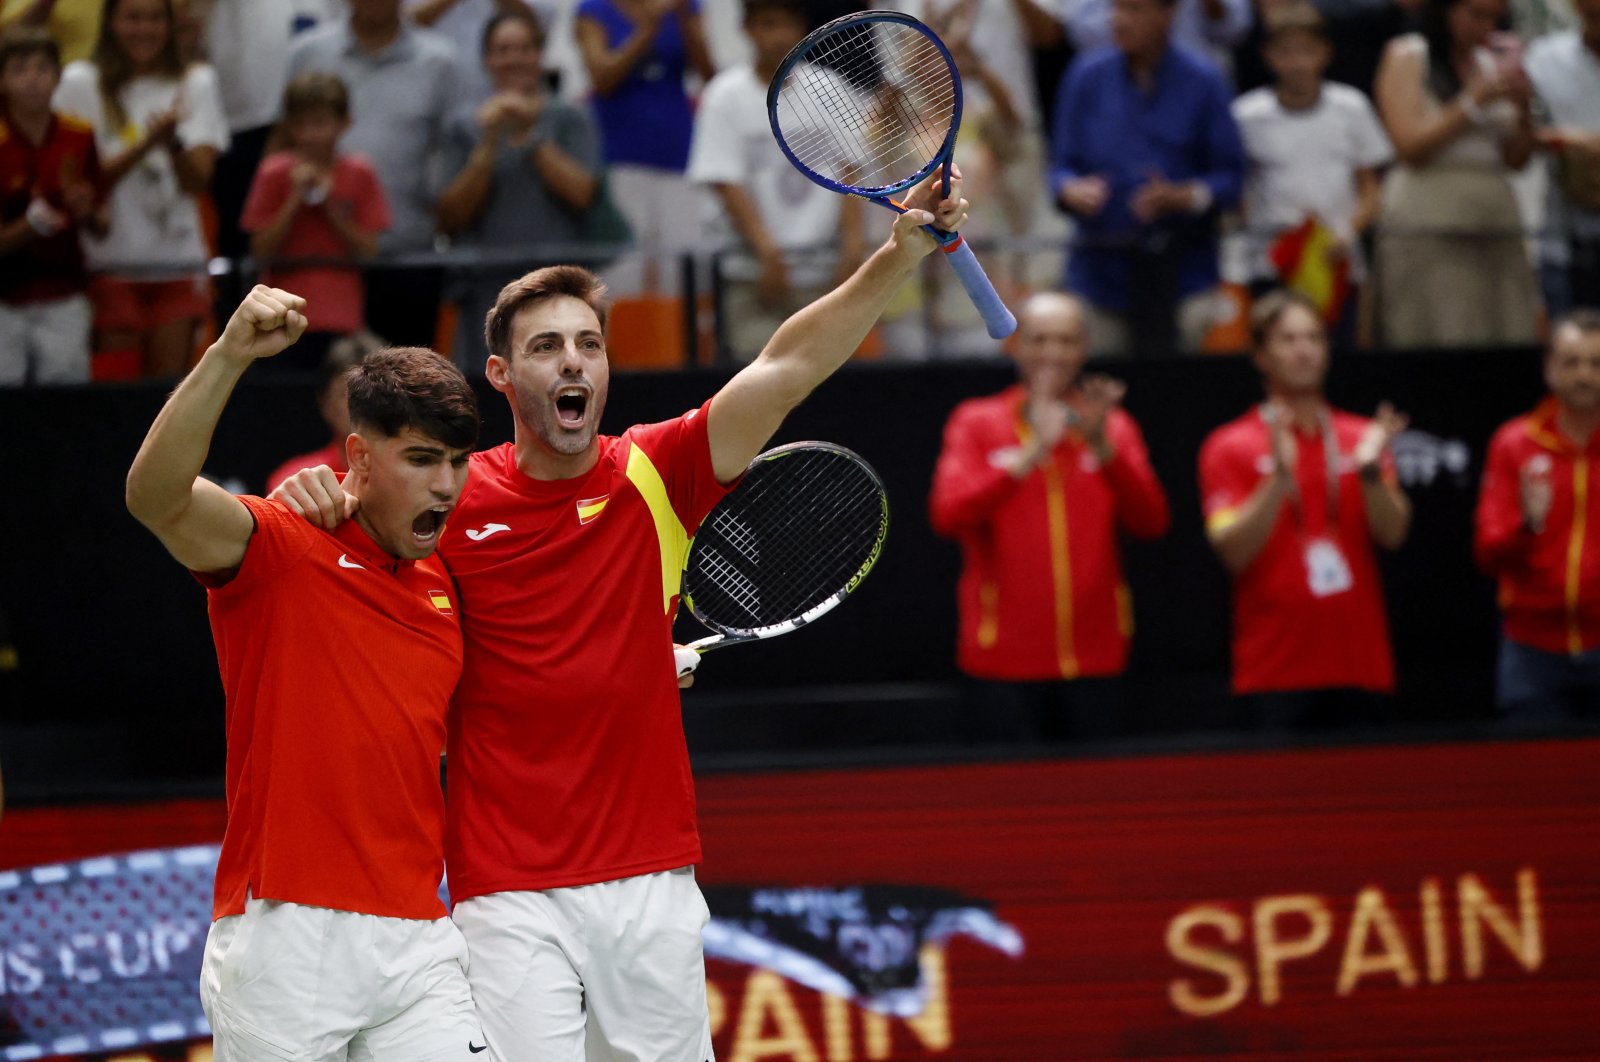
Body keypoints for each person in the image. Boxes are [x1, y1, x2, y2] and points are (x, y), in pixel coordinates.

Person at [272, 168, 969, 1060]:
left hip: (649, 875)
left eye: (590, 345)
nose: (573, 361)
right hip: (505, 886)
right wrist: (309, 495)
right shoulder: (448, 499)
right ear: (500, 373)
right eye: (546, 346)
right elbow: (355, 595)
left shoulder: (658, 471)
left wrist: (897, 254)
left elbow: (788, 365)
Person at [125, 285, 487, 1055]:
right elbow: (155, 498)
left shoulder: (444, 587)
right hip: (288, 936)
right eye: (421, 460)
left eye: (456, 462)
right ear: (358, 455)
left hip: (420, 935)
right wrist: (228, 355)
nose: (447, 486)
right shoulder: (281, 544)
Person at [928, 292, 1170, 742]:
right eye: (1039, 340)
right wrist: (1030, 452)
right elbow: (948, 516)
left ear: (1084, 348)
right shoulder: (976, 421)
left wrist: (1103, 448)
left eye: (1066, 341)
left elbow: (1151, 522)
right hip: (1001, 658)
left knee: (1097, 800)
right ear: (1016, 346)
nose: (1052, 354)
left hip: (1096, 655)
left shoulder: (1111, 426)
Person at [1199, 289, 1411, 731]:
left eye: (1314, 338)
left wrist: (1371, 473)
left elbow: (1394, 535)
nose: (1304, 350)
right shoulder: (1229, 445)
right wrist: (1277, 479)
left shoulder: (1361, 438)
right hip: (1273, 671)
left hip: (1360, 666)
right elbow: (1233, 552)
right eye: (1288, 339)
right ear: (1261, 355)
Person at [1048, 0, 1246, 357]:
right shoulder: (1085, 75)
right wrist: (1072, 189)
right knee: (1099, 381)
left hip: (1186, 272)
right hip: (1101, 272)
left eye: (1134, 10)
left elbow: (1231, 179)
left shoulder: (1204, 79)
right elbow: (1061, 168)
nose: (1118, 20)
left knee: (1186, 387)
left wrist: (1186, 196)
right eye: (1116, 9)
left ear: (1167, 15)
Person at [51, 0, 229, 379]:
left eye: (154, 18)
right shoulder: (80, 82)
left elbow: (197, 180)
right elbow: (80, 181)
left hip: (176, 263)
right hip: (109, 263)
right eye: (132, 17)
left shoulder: (196, 81)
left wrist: (173, 145)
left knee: (165, 400)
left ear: (169, 24)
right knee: (117, 400)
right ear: (111, 22)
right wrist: (147, 144)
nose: (144, 29)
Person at [687, 0, 865, 362]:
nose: (778, 36)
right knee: (753, 384)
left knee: (827, 386)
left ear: (801, 29)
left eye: (786, 24)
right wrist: (767, 253)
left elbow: (851, 171)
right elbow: (725, 181)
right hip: (749, 276)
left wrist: (853, 246)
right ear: (748, 30)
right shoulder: (724, 96)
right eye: (768, 25)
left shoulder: (830, 88)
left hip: (822, 274)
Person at [289, 0, 462, 349]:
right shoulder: (308, 52)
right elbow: (283, 145)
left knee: (408, 391)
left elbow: (452, 157)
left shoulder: (440, 60)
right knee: (313, 396)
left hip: (408, 255)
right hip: (321, 264)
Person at [437, 6, 601, 374]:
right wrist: (489, 143)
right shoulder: (463, 124)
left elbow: (583, 194)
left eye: (524, 49)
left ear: (540, 55)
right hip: (485, 294)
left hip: (560, 291)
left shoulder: (571, 118)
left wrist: (531, 134)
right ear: (486, 59)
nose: (514, 59)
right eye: (503, 50)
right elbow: (451, 216)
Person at [1372, 0, 1541, 348]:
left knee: (1510, 332)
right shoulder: (1408, 55)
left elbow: (1517, 159)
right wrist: (1471, 101)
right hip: (1429, 218)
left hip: (1496, 217)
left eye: (1495, 17)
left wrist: (1525, 110)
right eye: (1476, 14)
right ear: (1445, 11)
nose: (1486, 27)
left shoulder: (1495, 62)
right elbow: (1409, 147)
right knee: (1443, 335)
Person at [1232, 2, 1391, 347]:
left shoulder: (1351, 107)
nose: (1297, 62)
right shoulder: (1246, 115)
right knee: (1276, 350)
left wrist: (1348, 232)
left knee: (1341, 351)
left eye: (1306, 51)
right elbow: (1238, 187)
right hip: (1271, 263)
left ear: (1325, 54)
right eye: (1285, 52)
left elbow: (1371, 188)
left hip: (1336, 261)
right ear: (1268, 57)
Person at [1475, 309, 1600, 721]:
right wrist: (1527, 525)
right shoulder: (1514, 443)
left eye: (1596, 363)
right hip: (1532, 649)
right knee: (1531, 781)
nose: (1584, 375)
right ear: (1549, 369)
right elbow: (1487, 554)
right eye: (1571, 362)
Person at [242, 71, 390, 371]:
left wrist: (329, 204)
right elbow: (260, 252)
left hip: (342, 319)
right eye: (300, 125)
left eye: (320, 123)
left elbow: (368, 253)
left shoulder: (360, 172)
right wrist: (295, 199)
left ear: (343, 123)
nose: (309, 134)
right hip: (279, 318)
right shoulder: (272, 172)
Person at [574, 0, 715, 295]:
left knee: (684, 271)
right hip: (620, 155)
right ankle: (616, 341)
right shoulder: (593, 9)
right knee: (622, 273)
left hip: (679, 152)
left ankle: (684, 340)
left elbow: (710, 77)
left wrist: (686, 20)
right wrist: (648, 29)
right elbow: (602, 79)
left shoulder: (685, 6)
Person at [0, 27, 102, 386]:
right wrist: (31, 224)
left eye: (42, 68)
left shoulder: (79, 134)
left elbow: (101, 226)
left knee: (65, 398)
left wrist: (86, 210)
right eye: (19, 68)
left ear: (58, 76)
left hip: (64, 291)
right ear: (3, 80)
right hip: (5, 297)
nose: (32, 78)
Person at [1526, 0, 1600, 317]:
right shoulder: (1544, 58)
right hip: (1566, 236)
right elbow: (1521, 135)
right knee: (1570, 344)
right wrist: (1564, 140)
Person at [266, 332, 381, 493]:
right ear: (325, 403)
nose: (362, 404)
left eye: (372, 393)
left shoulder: (408, 477)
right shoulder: (292, 483)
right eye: (346, 394)